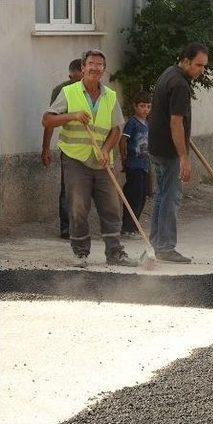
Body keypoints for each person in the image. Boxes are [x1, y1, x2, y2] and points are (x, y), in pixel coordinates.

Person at [42, 49, 136, 268]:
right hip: (75, 159)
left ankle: (115, 252)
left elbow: (116, 129)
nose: (95, 68)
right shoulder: (69, 92)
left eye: (99, 65)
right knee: (78, 207)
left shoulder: (110, 95)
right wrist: (72, 115)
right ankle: (81, 253)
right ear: (83, 68)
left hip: (102, 161)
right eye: (91, 64)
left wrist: (106, 149)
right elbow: (47, 120)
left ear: (104, 69)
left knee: (111, 206)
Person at [148, 42, 208, 263]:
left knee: (162, 196)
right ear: (185, 61)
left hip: (158, 145)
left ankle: (157, 243)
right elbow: (175, 121)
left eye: (204, 66)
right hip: (168, 150)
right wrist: (183, 156)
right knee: (170, 197)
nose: (201, 70)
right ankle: (165, 247)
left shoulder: (169, 74)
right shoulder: (180, 84)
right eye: (198, 65)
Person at [41, 58, 83, 239]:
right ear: (70, 75)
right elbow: (50, 120)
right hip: (70, 147)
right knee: (68, 188)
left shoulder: (98, 89)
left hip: (92, 148)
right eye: (75, 78)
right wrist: (46, 148)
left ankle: (80, 226)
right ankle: (67, 228)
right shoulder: (62, 91)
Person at [119, 91, 152, 237]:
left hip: (145, 165)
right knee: (133, 195)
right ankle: (127, 227)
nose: (145, 109)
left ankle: (135, 225)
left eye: (148, 106)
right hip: (134, 165)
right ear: (135, 107)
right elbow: (123, 141)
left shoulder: (147, 123)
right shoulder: (132, 123)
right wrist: (124, 157)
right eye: (142, 106)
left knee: (143, 195)